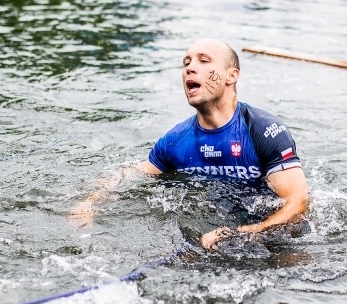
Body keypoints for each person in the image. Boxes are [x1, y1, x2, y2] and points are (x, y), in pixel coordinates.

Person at [70, 38, 308, 251]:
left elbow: (298, 203)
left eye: (204, 61)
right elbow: (131, 173)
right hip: (208, 226)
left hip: (266, 235)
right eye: (186, 63)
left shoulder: (263, 130)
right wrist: (89, 202)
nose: (190, 68)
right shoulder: (176, 140)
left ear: (231, 75)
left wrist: (242, 234)